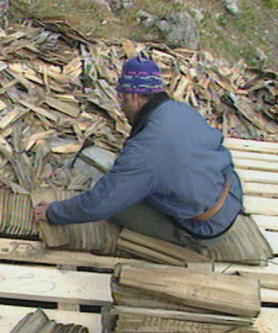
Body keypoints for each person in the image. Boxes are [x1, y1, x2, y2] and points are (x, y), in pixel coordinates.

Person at [33, 55, 244, 250]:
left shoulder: (145, 154)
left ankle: (186, 239)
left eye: (122, 99)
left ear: (134, 97)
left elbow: (100, 205)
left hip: (205, 228)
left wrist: (54, 213)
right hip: (230, 196)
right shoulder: (179, 110)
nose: (122, 107)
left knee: (118, 207)